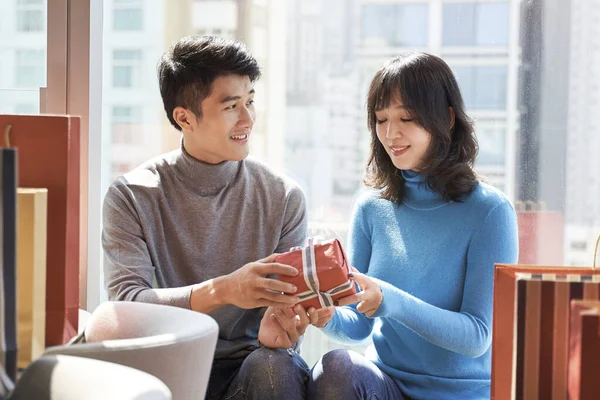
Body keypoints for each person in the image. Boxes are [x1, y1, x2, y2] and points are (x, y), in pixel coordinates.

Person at [102, 35, 329, 400]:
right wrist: (224, 290)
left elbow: (287, 312)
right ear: (184, 117)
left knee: (274, 366)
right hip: (166, 366)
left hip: (251, 370)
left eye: (251, 101)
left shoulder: (283, 197)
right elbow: (126, 305)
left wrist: (284, 329)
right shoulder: (131, 196)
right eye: (232, 106)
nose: (248, 118)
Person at [307, 53, 519, 400]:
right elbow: (359, 323)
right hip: (387, 386)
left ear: (447, 119)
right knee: (335, 369)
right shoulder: (371, 208)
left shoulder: (490, 212)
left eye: (406, 117)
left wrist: (390, 300)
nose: (391, 133)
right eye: (381, 119)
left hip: (460, 394)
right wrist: (325, 314)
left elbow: (478, 336)